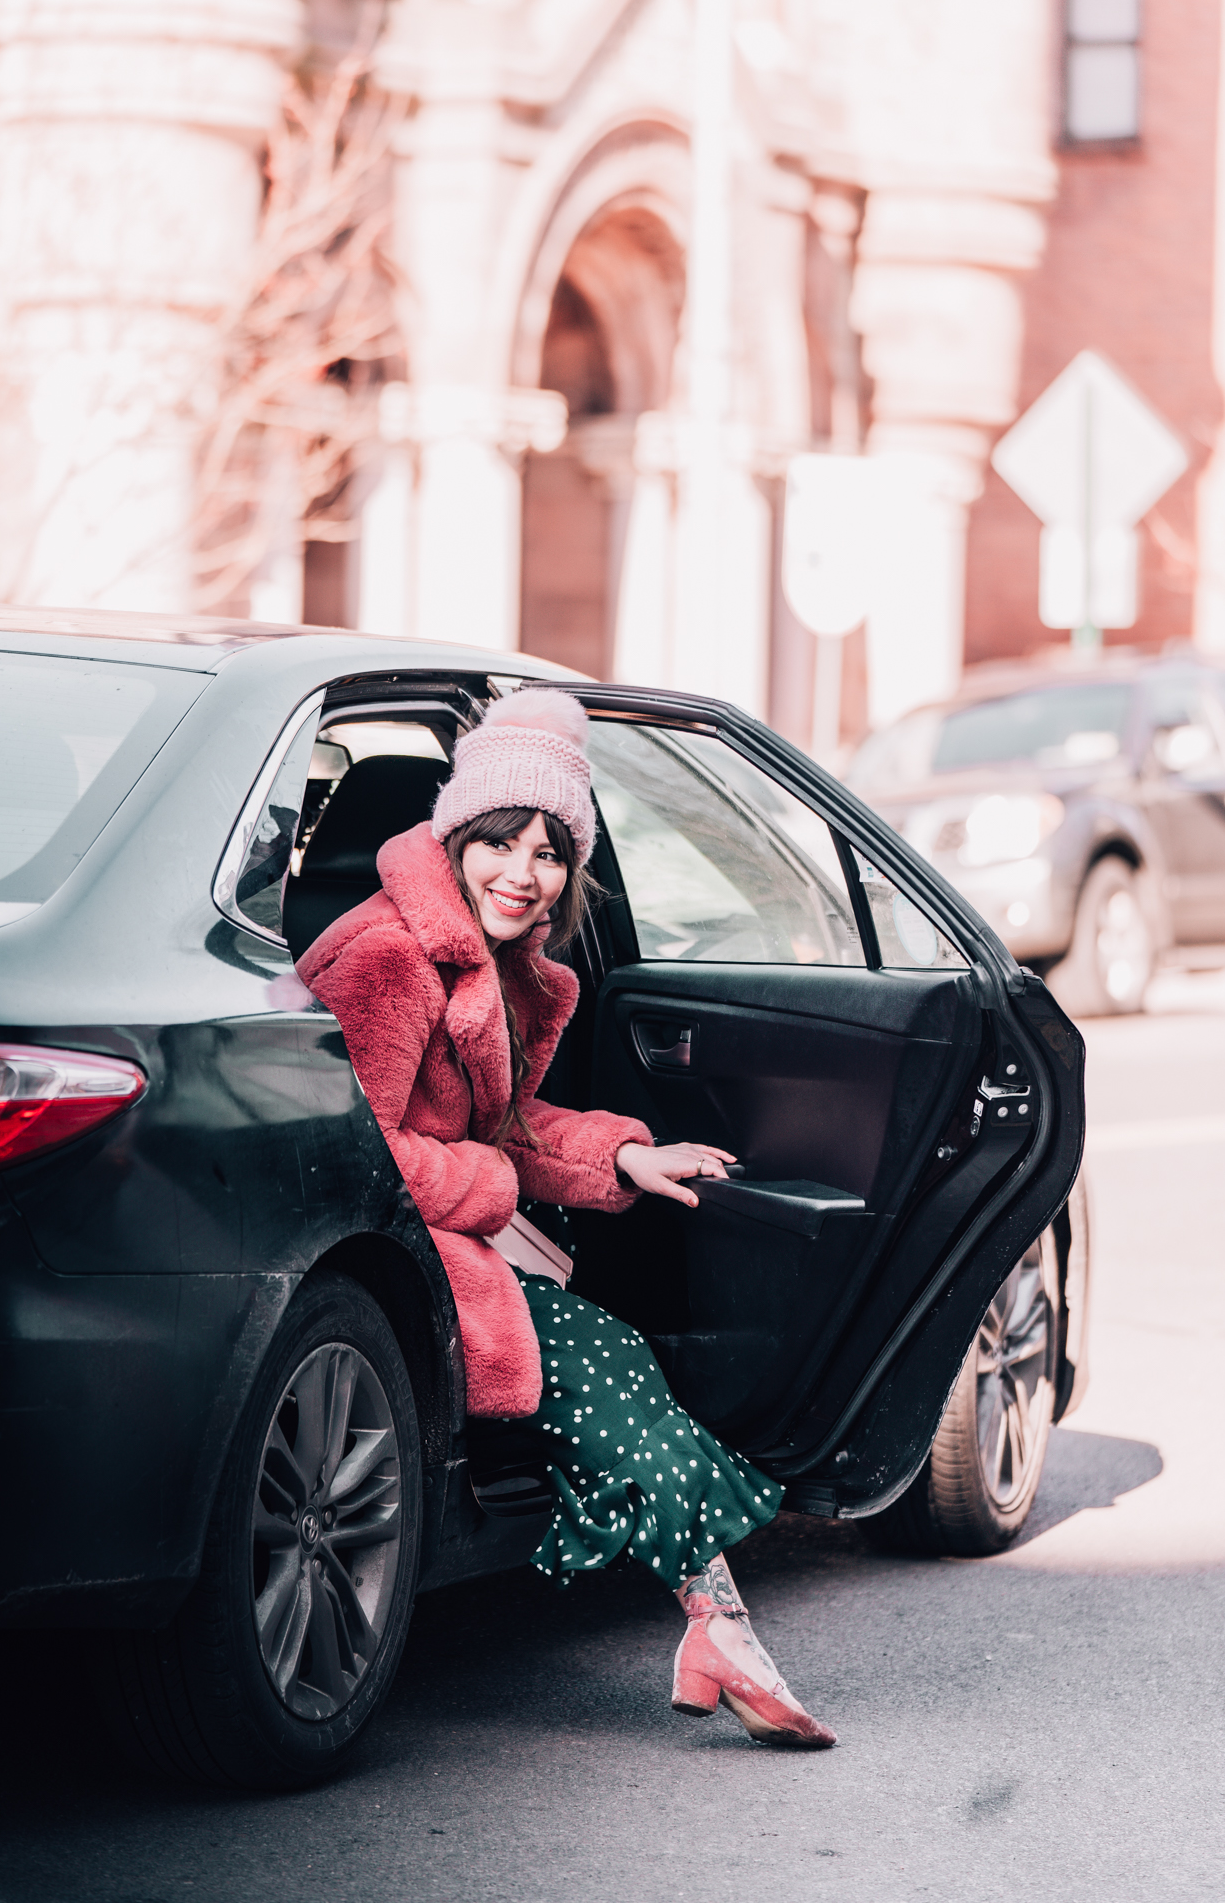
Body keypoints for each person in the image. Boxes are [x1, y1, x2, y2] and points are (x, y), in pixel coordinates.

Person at [294, 689, 835, 1748]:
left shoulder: (501, 965)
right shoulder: (389, 957)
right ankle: (717, 1629)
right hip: (379, 1252)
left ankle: (714, 1626)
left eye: (549, 853)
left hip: (439, 1236)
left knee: (613, 1355)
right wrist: (492, 1193)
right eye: (498, 842)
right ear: (454, 836)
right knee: (599, 1361)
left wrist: (619, 1152)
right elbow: (349, 1152)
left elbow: (499, 1119)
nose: (521, 873)